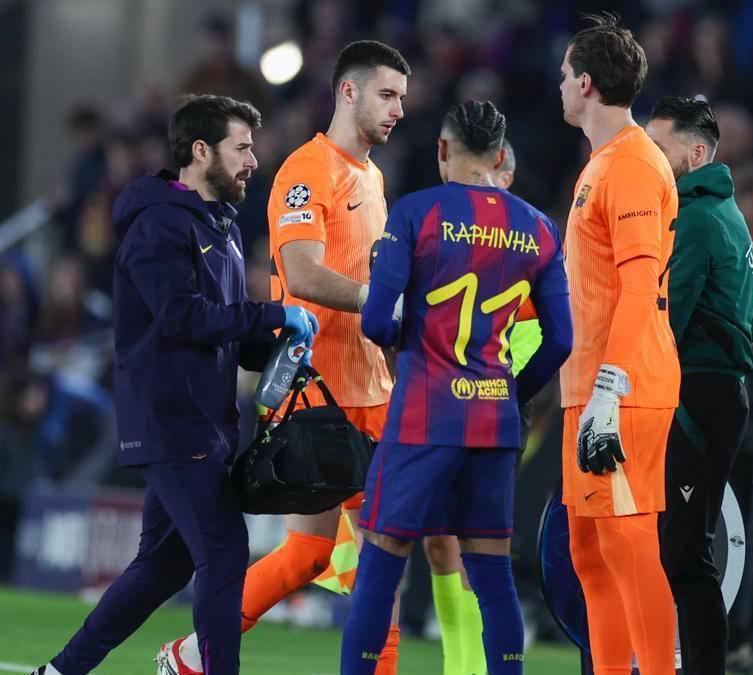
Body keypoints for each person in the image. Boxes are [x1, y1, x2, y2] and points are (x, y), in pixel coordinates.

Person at [31, 95, 317, 675]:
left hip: (205, 421)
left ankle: (61, 671)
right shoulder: (158, 223)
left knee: (163, 567)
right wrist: (269, 315)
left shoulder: (224, 228)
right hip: (171, 418)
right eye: (241, 148)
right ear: (201, 151)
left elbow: (226, 331)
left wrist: (279, 348)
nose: (252, 161)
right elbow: (181, 316)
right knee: (223, 549)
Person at [157, 40, 410, 675]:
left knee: (325, 557)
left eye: (403, 98)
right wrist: (386, 304)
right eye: (386, 95)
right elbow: (300, 274)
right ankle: (197, 655)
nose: (398, 110)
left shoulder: (374, 177)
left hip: (371, 392)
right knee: (362, 562)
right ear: (347, 92)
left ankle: (190, 658)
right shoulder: (306, 170)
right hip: (319, 398)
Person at [340, 100, 571, 675]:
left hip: (423, 414)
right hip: (496, 421)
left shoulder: (417, 213)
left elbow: (374, 321)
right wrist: (514, 392)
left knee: (382, 561)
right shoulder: (539, 228)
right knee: (491, 574)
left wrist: (400, 334)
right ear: (499, 157)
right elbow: (562, 339)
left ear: (443, 151)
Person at [557, 13, 680, 675]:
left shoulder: (631, 164)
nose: (558, 87)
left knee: (630, 542)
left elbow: (638, 287)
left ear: (585, 84)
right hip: (590, 385)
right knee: (590, 550)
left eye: (563, 76)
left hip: (623, 388)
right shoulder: (602, 165)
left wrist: (608, 388)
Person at [644, 96, 753, 675]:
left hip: (695, 393)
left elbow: (666, 319)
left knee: (685, 557)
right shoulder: (729, 216)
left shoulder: (693, 218)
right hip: (721, 393)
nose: (650, 159)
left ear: (695, 152)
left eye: (659, 149)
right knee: (687, 551)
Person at [421, 135, 520, 675]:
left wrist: (507, 388)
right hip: (436, 408)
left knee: (479, 556)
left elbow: (539, 338)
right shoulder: (440, 238)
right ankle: (458, 665)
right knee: (440, 546)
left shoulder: (525, 248)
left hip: (491, 412)